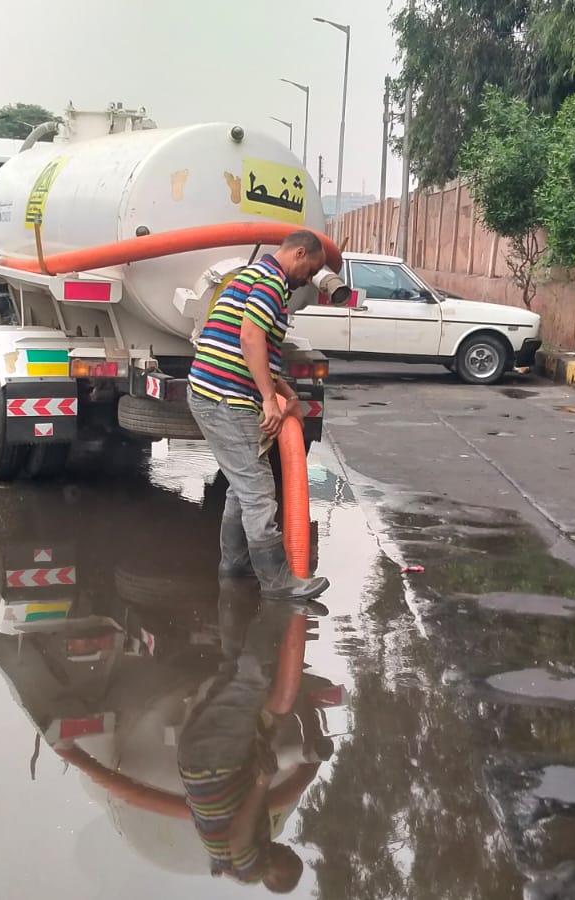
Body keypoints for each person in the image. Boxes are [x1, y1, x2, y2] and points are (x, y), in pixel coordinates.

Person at [188, 230, 330, 604]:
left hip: (214, 393)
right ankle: (278, 582)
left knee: (242, 486)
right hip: (224, 398)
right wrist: (269, 399)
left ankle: (235, 565)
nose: (307, 279)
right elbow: (250, 338)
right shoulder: (271, 283)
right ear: (299, 253)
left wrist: (288, 395)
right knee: (258, 491)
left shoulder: (252, 276)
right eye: (310, 269)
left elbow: (256, 351)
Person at [179, 582, 308, 892]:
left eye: (291, 860)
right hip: (197, 764)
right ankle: (233, 584)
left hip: (214, 764)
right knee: (232, 665)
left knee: (252, 680)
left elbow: (238, 837)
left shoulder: (252, 870)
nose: (289, 850)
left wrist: (263, 782)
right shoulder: (236, 862)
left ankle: (282, 598)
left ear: (275, 878)